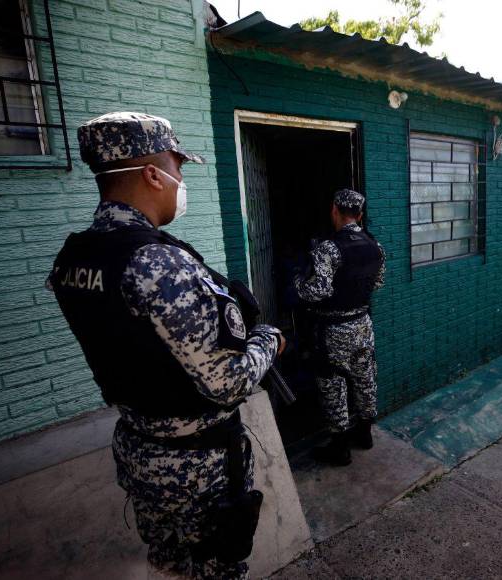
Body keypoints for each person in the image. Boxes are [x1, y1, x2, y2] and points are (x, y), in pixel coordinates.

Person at [47, 112, 285, 579]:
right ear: (153, 175)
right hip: (197, 465)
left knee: (171, 565)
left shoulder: (75, 257)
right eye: (177, 169)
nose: (181, 180)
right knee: (219, 568)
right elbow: (225, 382)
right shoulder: (157, 262)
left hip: (139, 452)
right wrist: (268, 343)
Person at [293, 189, 385, 466]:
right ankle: (365, 434)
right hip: (363, 325)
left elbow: (318, 291)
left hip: (334, 328)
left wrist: (297, 282)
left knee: (332, 384)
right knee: (365, 377)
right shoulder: (375, 245)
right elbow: (378, 283)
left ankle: (340, 447)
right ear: (359, 214)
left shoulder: (328, 248)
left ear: (334, 210)